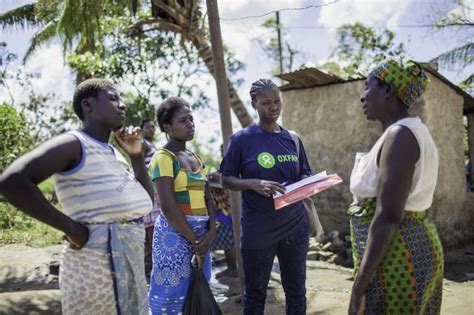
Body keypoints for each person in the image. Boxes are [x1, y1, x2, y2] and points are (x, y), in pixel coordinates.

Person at [0, 78, 154, 314]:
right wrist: (72, 228)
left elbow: (146, 202)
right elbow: (12, 181)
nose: (122, 105)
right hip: (95, 271)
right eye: (113, 98)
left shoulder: (114, 153)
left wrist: (135, 156)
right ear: (88, 106)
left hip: (128, 264)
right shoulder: (74, 143)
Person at [348, 59, 444, 315]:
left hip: (398, 256)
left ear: (388, 90)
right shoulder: (404, 132)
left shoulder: (400, 135)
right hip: (398, 249)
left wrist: (358, 289)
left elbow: (388, 216)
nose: (362, 97)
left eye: (368, 87)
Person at [220, 79, 312, 314]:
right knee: (255, 292)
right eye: (266, 103)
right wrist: (253, 184)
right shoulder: (242, 139)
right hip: (258, 229)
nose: (273, 107)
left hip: (294, 226)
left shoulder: (293, 139)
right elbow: (226, 178)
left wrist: (309, 184)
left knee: (296, 291)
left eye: (277, 101)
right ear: (254, 105)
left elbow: (304, 173)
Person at [148, 97, 217, 314]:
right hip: (175, 235)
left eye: (191, 119)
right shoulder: (163, 158)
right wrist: (196, 240)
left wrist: (212, 231)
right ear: (167, 127)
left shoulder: (197, 158)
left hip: (201, 236)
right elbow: (168, 207)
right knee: (171, 295)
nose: (190, 124)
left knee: (198, 290)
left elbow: (208, 198)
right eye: (183, 121)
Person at [208, 171, 238, 279]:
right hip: (223, 216)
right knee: (227, 245)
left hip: (223, 216)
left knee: (229, 245)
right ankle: (231, 269)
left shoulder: (219, 187)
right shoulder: (217, 184)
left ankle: (233, 270)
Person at [140, 118, 160, 280]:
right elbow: (139, 168)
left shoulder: (151, 145)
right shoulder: (142, 144)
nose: (152, 129)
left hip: (156, 191)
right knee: (152, 230)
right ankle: (154, 271)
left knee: (156, 229)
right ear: (141, 129)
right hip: (149, 191)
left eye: (153, 127)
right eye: (148, 127)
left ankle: (153, 268)